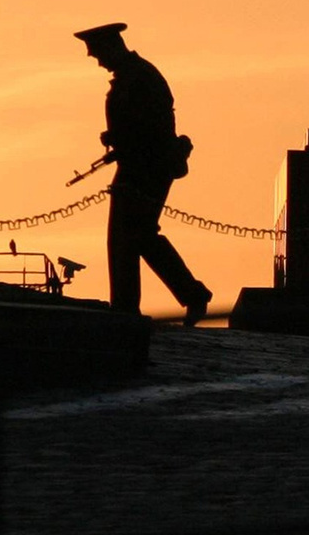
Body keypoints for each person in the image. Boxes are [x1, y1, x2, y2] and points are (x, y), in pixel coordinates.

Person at [74, 22, 212, 322]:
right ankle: (178, 295)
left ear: (111, 47)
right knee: (137, 237)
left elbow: (152, 128)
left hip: (145, 169)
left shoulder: (140, 77)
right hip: (140, 166)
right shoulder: (134, 76)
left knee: (129, 238)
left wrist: (121, 139)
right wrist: (116, 138)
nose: (97, 61)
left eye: (97, 53)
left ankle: (131, 307)